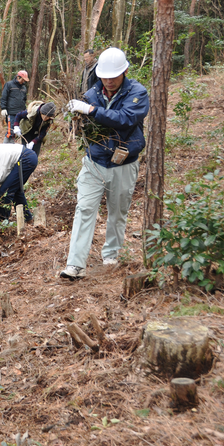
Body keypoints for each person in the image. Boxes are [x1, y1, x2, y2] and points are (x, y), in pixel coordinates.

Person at [60, 47, 149, 280]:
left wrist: (91, 110)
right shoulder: (90, 93)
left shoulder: (137, 93)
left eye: (114, 76)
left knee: (117, 212)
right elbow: (80, 124)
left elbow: (125, 119)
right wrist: (74, 119)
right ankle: (75, 264)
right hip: (94, 161)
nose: (108, 81)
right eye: (104, 76)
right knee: (85, 209)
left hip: (124, 163)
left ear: (125, 71)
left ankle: (111, 254)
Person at [0, 70, 29, 141]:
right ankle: (5, 148)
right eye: (22, 79)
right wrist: (3, 108)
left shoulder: (24, 88)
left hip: (21, 113)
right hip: (11, 113)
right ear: (18, 77)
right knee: (10, 132)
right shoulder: (9, 85)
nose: (23, 81)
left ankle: (12, 148)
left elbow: (24, 99)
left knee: (18, 132)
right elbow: (4, 97)